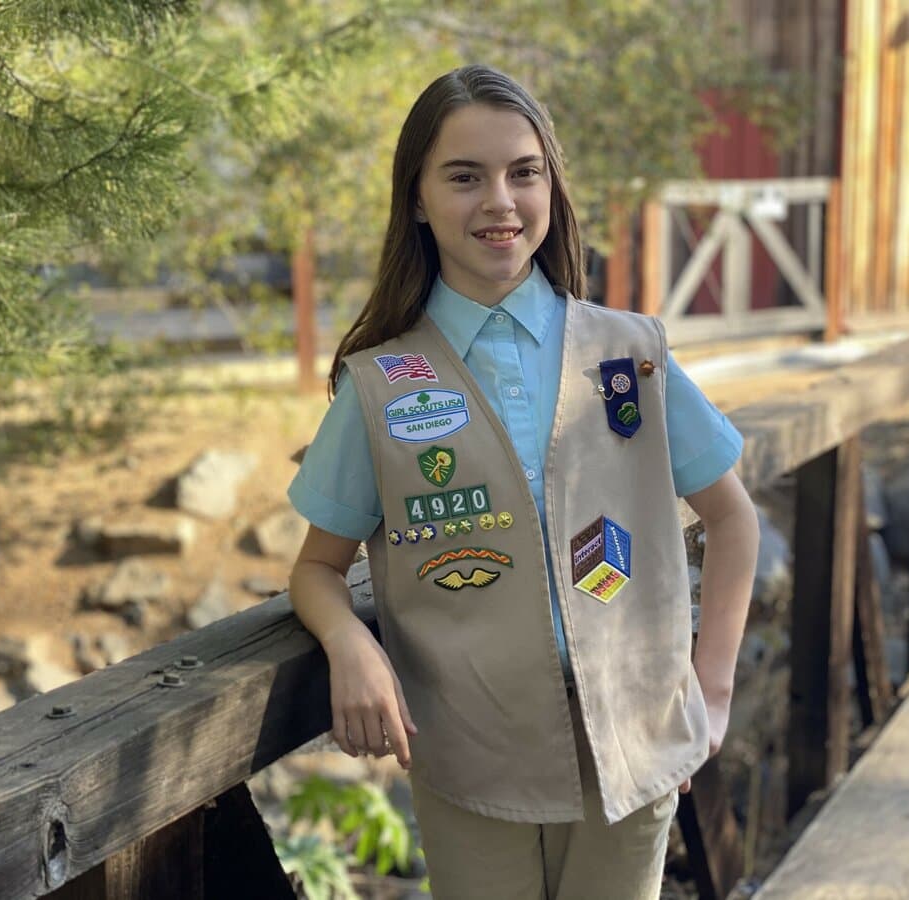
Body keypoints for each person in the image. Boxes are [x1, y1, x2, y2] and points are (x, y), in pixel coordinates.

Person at [288, 64, 759, 900]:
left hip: (636, 747)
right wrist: (349, 643)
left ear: (551, 187)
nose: (499, 201)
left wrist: (710, 690)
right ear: (418, 201)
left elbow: (732, 519)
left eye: (523, 172)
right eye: (465, 177)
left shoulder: (629, 354)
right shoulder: (383, 385)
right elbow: (317, 568)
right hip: (470, 754)